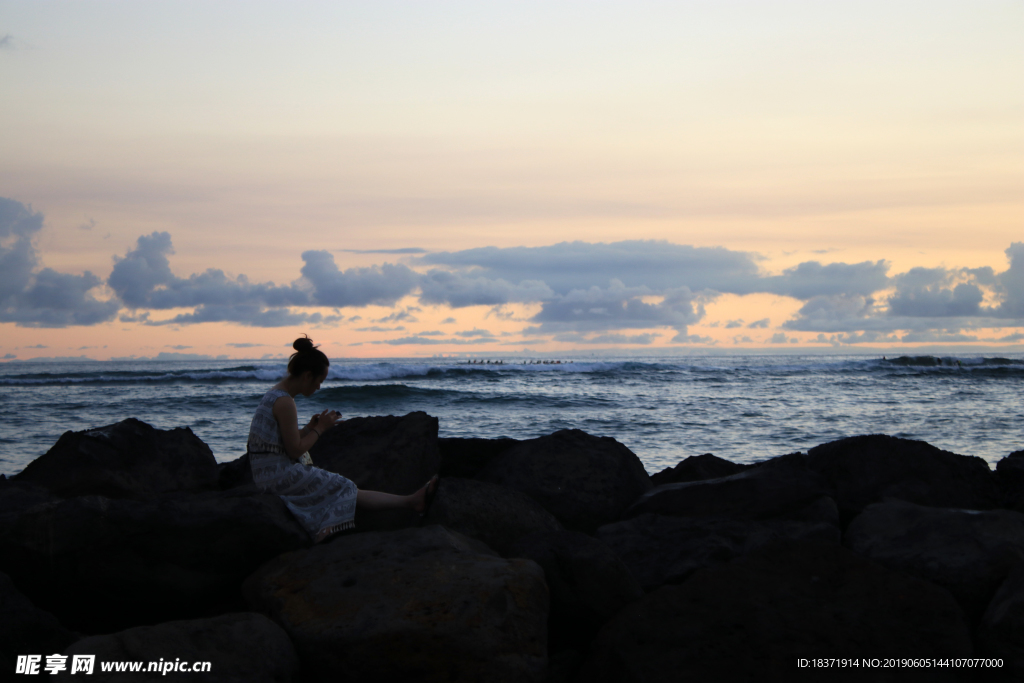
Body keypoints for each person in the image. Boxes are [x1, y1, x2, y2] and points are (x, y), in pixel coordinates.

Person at [248, 336, 438, 543]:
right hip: (277, 476)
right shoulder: (285, 402)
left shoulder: (275, 394)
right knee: (344, 486)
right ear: (307, 376)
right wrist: (320, 430)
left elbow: (281, 441)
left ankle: (410, 501)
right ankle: (325, 532)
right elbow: (294, 451)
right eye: (319, 381)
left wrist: (309, 428)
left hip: (266, 472)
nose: (319, 387)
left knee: (339, 487)